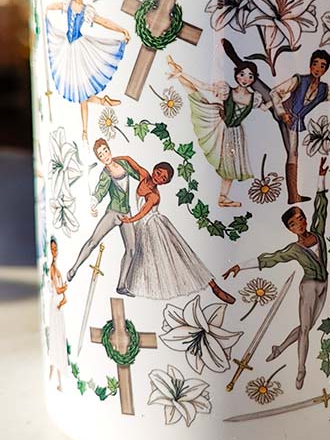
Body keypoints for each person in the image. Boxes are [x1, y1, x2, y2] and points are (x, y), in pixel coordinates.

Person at [223, 158, 330, 390]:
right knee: (304, 329)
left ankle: (280, 348)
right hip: (309, 286)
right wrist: (240, 266)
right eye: (294, 223)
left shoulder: (318, 234)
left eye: (301, 218)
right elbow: (270, 259)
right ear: (289, 229)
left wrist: (321, 178)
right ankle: (301, 369)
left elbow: (322, 207)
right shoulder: (294, 249)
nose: (299, 224)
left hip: (325, 284)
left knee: (307, 328)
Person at [117, 156, 236, 305]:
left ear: (165, 183)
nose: (158, 177)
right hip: (143, 224)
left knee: (177, 257)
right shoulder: (145, 175)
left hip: (153, 225)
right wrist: (116, 159)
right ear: (154, 169)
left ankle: (213, 286)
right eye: (158, 172)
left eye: (163, 178)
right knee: (145, 258)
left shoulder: (154, 195)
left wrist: (130, 220)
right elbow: (130, 161)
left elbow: (144, 212)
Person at [166, 53, 269, 207]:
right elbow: (204, 86)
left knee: (231, 166)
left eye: (250, 76)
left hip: (235, 134)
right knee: (198, 98)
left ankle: (222, 197)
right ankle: (179, 75)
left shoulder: (254, 98)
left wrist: (281, 98)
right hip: (221, 126)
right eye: (242, 74)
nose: (245, 79)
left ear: (254, 78)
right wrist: (183, 74)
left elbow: (265, 108)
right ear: (236, 74)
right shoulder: (227, 90)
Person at [269, 49, 330, 204]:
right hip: (284, 114)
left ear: (326, 69)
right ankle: (293, 195)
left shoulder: (324, 90)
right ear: (310, 65)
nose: (317, 68)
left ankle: (293, 195)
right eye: (315, 64)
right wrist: (282, 113)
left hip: (295, 121)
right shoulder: (299, 80)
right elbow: (275, 92)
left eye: (322, 66)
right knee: (292, 154)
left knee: (293, 153)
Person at [46, 0, 131, 140]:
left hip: (79, 49)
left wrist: (121, 29)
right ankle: (101, 103)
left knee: (81, 93)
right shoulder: (68, 3)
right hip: (66, 48)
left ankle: (85, 129)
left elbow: (103, 21)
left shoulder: (86, 10)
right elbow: (53, 6)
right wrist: (45, 9)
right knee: (77, 91)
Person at [67, 138, 138, 296]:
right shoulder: (106, 174)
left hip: (126, 213)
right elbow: (101, 190)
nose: (105, 155)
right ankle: (74, 268)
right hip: (113, 213)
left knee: (131, 248)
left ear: (109, 149)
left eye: (105, 150)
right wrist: (93, 203)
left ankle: (121, 285)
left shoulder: (123, 164)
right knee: (94, 240)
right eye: (100, 155)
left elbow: (138, 174)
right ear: (99, 159)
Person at [46, 237, 68, 392]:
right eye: (52, 249)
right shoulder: (52, 269)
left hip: (59, 305)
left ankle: (56, 378)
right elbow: (58, 289)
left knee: (59, 338)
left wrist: (64, 296)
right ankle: (54, 377)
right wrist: (64, 291)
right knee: (56, 339)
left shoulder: (57, 268)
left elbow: (61, 290)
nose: (55, 251)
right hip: (55, 306)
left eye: (56, 249)